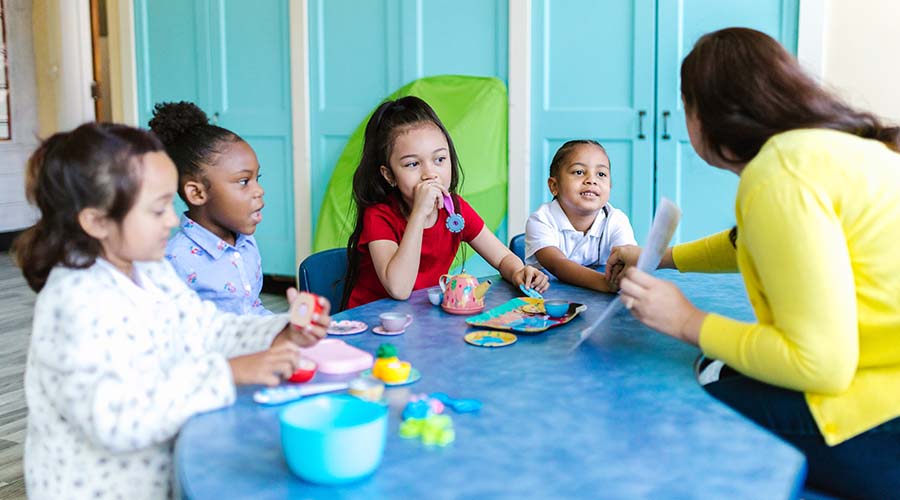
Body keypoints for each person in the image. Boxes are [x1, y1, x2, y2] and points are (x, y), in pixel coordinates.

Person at [605, 28, 900, 498]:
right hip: (886, 378)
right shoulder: (834, 151)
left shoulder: (777, 175)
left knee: (686, 390)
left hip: (878, 418)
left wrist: (686, 320)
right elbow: (757, 242)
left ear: (705, 113)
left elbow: (820, 364)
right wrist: (665, 259)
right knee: (720, 363)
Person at [13, 123, 330, 499]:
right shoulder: (75, 302)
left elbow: (207, 328)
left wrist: (280, 330)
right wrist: (227, 373)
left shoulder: (151, 270)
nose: (173, 220)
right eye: (157, 208)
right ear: (97, 221)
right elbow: (114, 417)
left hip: (160, 476)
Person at [342, 96, 549, 309]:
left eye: (439, 159)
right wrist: (419, 214)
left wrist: (519, 272)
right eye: (413, 164)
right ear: (389, 175)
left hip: (420, 320)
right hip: (372, 323)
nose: (430, 174)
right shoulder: (379, 216)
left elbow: (502, 257)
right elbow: (399, 289)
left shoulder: (455, 210)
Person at [149, 101, 269, 315]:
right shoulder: (174, 261)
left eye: (256, 178)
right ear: (197, 193)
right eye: (244, 181)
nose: (259, 190)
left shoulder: (246, 243)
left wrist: (286, 326)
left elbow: (252, 308)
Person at [525, 140, 636, 292]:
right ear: (554, 186)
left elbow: (625, 257)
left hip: (601, 304)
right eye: (579, 172)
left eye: (601, 174)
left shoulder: (616, 220)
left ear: (610, 186)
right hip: (550, 303)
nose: (591, 180)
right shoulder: (541, 220)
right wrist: (605, 283)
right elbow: (558, 264)